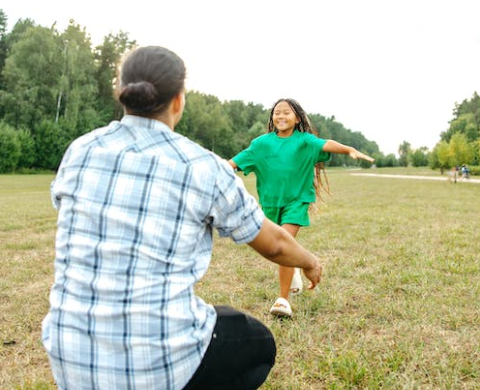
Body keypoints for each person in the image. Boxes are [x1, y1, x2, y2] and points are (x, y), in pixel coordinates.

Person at [41, 47, 323, 390]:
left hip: (68, 356)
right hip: (158, 368)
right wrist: (309, 262)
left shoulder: (80, 150)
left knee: (225, 320)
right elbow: (275, 245)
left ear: (121, 92)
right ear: (178, 100)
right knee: (255, 341)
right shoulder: (201, 165)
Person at [228, 98, 374, 317]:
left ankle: (282, 300)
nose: (281, 116)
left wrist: (348, 149)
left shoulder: (305, 141)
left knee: (284, 242)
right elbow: (233, 163)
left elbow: (326, 144)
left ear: (297, 118)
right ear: (271, 117)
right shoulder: (261, 144)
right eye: (277, 113)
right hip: (270, 203)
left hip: (297, 201)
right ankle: (294, 267)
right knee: (276, 250)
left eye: (286, 113)